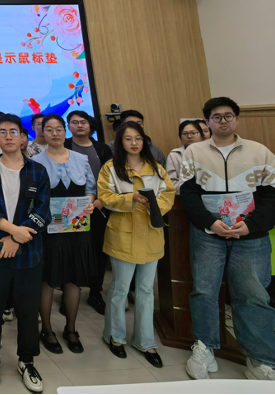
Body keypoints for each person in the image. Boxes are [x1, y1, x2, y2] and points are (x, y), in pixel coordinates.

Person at [182, 97, 275, 382]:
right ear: (208, 122)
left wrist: (251, 225)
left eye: (228, 116)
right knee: (204, 291)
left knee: (253, 295)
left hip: (250, 235)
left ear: (237, 119)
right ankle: (205, 348)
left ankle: (261, 360)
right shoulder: (194, 152)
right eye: (216, 117)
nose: (223, 121)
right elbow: (188, 193)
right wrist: (210, 222)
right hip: (208, 234)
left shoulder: (259, 151)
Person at [0, 113, 50, 392]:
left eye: (13, 131)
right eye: (2, 132)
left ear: (22, 137)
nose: (7, 136)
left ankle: (27, 360)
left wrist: (18, 239)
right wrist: (10, 232)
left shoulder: (38, 171)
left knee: (28, 309)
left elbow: (43, 211)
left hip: (29, 249)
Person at [98, 121, 175, 367]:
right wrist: (131, 197)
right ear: (120, 142)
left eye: (138, 138)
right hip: (122, 233)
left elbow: (168, 194)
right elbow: (104, 197)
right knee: (120, 289)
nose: (134, 143)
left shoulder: (156, 168)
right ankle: (115, 337)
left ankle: (146, 342)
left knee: (146, 290)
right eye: (128, 138)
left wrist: (155, 205)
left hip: (151, 233)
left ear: (144, 141)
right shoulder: (111, 167)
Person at [32, 115, 97, 355]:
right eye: (49, 129)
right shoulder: (35, 161)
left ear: (65, 131)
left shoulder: (81, 158)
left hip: (77, 229)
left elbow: (91, 188)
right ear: (43, 132)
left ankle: (71, 329)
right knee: (47, 280)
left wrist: (88, 204)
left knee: (74, 278)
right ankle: (47, 330)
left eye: (59, 129)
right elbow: (32, 197)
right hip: (49, 231)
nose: (54, 133)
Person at [64, 110, 113, 315]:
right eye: (74, 122)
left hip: (98, 208)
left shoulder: (102, 148)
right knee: (70, 251)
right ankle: (68, 294)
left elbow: (112, 178)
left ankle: (95, 292)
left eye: (83, 122)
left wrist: (100, 202)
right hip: (69, 210)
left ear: (90, 125)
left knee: (98, 252)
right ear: (68, 126)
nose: (79, 125)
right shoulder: (63, 145)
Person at [165, 120, 204, 192]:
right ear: (180, 137)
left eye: (193, 133)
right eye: (185, 134)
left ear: (201, 135)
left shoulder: (210, 152)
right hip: (185, 194)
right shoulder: (174, 155)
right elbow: (171, 182)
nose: (189, 136)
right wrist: (189, 190)